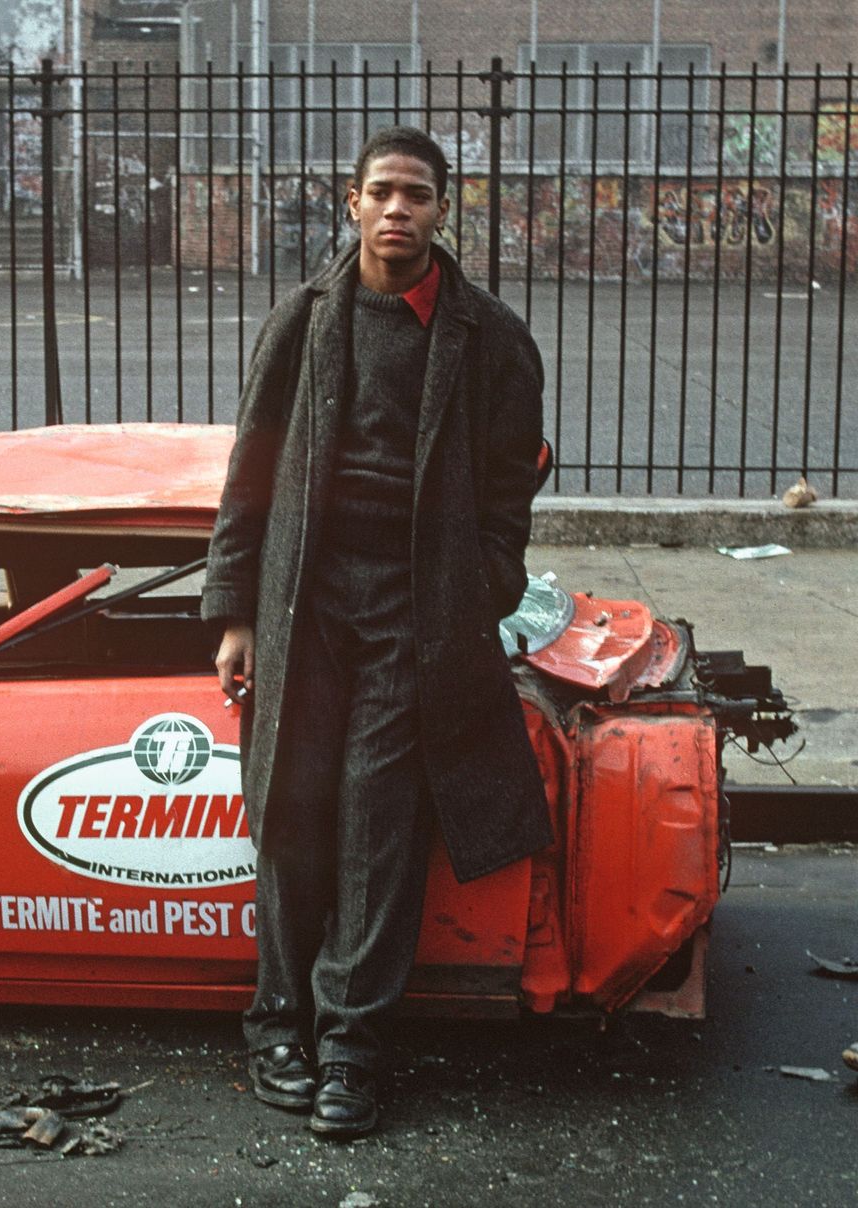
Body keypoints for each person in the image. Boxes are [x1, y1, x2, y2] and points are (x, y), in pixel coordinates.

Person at [201, 126, 553, 1139]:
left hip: (416, 612)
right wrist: (235, 613)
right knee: (288, 808)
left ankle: (352, 1048)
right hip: (303, 603)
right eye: (382, 192)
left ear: (445, 211)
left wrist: (478, 586)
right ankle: (277, 1024)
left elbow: (508, 490)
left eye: (419, 196)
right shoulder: (304, 321)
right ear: (350, 202)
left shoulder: (488, 336)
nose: (399, 211)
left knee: (378, 826)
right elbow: (250, 475)